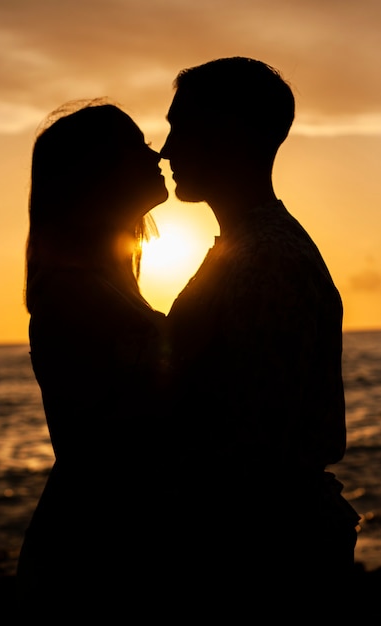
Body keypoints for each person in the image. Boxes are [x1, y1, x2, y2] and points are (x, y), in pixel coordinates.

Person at [160, 57, 360, 617]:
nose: (167, 149)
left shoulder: (267, 258)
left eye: (181, 128)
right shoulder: (247, 246)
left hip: (263, 565)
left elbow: (255, 444)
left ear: (230, 134)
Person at [16, 99, 170, 621]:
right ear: (98, 173)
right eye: (136, 145)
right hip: (95, 553)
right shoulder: (72, 293)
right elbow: (117, 433)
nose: (157, 155)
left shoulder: (110, 283)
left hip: (112, 537)